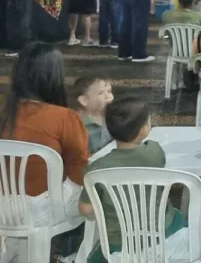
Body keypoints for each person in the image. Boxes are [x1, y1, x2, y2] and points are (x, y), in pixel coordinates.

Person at [78, 97, 188, 263]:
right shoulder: (154, 152)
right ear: (143, 130)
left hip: (119, 243)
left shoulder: (97, 168)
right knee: (178, 216)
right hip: (163, 232)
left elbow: (85, 209)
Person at [0, 43, 88, 236]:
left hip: (4, 206)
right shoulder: (64, 117)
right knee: (97, 183)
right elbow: (79, 171)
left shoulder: (5, 111)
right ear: (53, 76)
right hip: (44, 210)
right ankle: (82, 249)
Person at [72, 76, 114, 155]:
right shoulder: (77, 124)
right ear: (84, 100)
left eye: (109, 91)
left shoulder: (112, 116)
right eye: (101, 93)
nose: (108, 96)